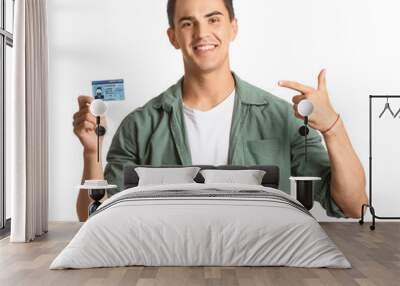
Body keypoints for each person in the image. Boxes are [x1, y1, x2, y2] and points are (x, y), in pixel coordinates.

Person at [73, 0, 367, 222]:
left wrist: (333, 128)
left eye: (213, 19)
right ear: (173, 36)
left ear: (233, 27)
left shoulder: (282, 119)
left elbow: (353, 206)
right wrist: (91, 152)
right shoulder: (139, 125)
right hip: (172, 266)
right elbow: (93, 218)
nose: (202, 33)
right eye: (188, 23)